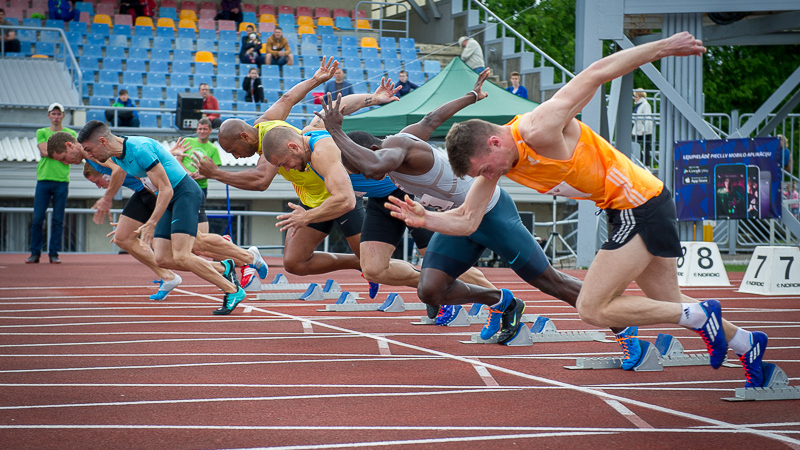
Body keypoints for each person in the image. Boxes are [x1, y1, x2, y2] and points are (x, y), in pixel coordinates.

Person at [389, 32, 772, 388]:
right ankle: (746, 342)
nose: (488, 177)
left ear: (493, 143)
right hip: (634, 206)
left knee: (592, 307)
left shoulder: (539, 128)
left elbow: (596, 73)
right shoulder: (498, 166)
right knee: (668, 302)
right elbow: (468, 219)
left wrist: (660, 48)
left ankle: (702, 316)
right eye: (480, 175)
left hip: (640, 206)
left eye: (484, 169)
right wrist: (428, 220)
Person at [319, 73, 615, 347]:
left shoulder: (397, 151)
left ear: (371, 150)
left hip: (491, 213)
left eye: (354, 166)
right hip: (458, 223)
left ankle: (621, 323)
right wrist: (471, 96)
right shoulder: (404, 139)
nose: (359, 174)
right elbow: (433, 118)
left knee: (550, 282)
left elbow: (373, 168)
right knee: (430, 290)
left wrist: (335, 130)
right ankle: (503, 301)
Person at [193, 58, 392, 299]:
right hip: (311, 201)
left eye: (233, 150)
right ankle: (356, 263)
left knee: (376, 264)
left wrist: (215, 174)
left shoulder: (272, 147)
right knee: (295, 262)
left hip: (338, 196)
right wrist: (314, 80)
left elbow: (260, 182)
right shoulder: (264, 122)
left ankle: (430, 283)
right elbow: (287, 98)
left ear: (245, 137)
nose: (235, 156)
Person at [48, 132, 269, 301]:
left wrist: (107, 199)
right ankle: (169, 276)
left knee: (195, 245)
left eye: (63, 158)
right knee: (125, 238)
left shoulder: (92, 149)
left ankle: (244, 258)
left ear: (70, 145)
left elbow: (120, 170)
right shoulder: (91, 157)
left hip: (162, 191)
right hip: (144, 192)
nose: (66, 163)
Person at [27, 103, 75, 264]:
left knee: (58, 219)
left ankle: (54, 253)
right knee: (38, 218)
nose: (56, 117)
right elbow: (43, 151)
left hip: (62, 181)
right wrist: (62, 153)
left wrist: (53, 152)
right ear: (49, 115)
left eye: (58, 114)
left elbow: (69, 153)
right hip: (44, 179)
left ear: (63, 116)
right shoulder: (41, 132)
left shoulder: (71, 133)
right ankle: (35, 253)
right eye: (53, 114)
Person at [632, 89, 654, 166]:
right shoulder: (639, 105)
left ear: (640, 97)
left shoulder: (645, 104)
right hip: (639, 130)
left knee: (646, 147)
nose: (634, 98)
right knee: (635, 144)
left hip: (644, 130)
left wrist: (644, 129)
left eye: (636, 96)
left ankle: (645, 163)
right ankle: (641, 160)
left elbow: (647, 117)